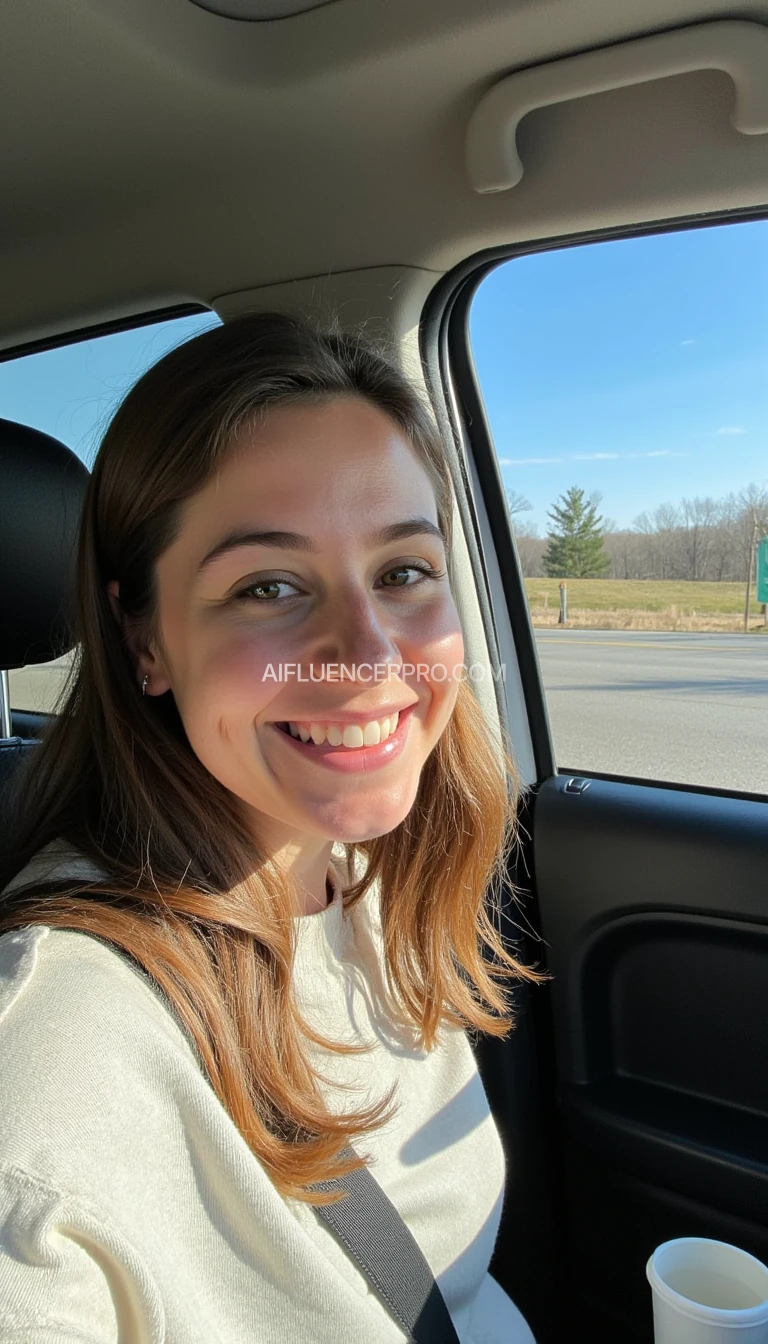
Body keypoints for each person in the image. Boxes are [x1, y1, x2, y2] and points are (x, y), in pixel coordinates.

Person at [0, 312, 540, 1342]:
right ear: (145, 639)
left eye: (403, 572)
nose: (369, 655)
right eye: (269, 586)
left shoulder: (361, 871)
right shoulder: (57, 1059)